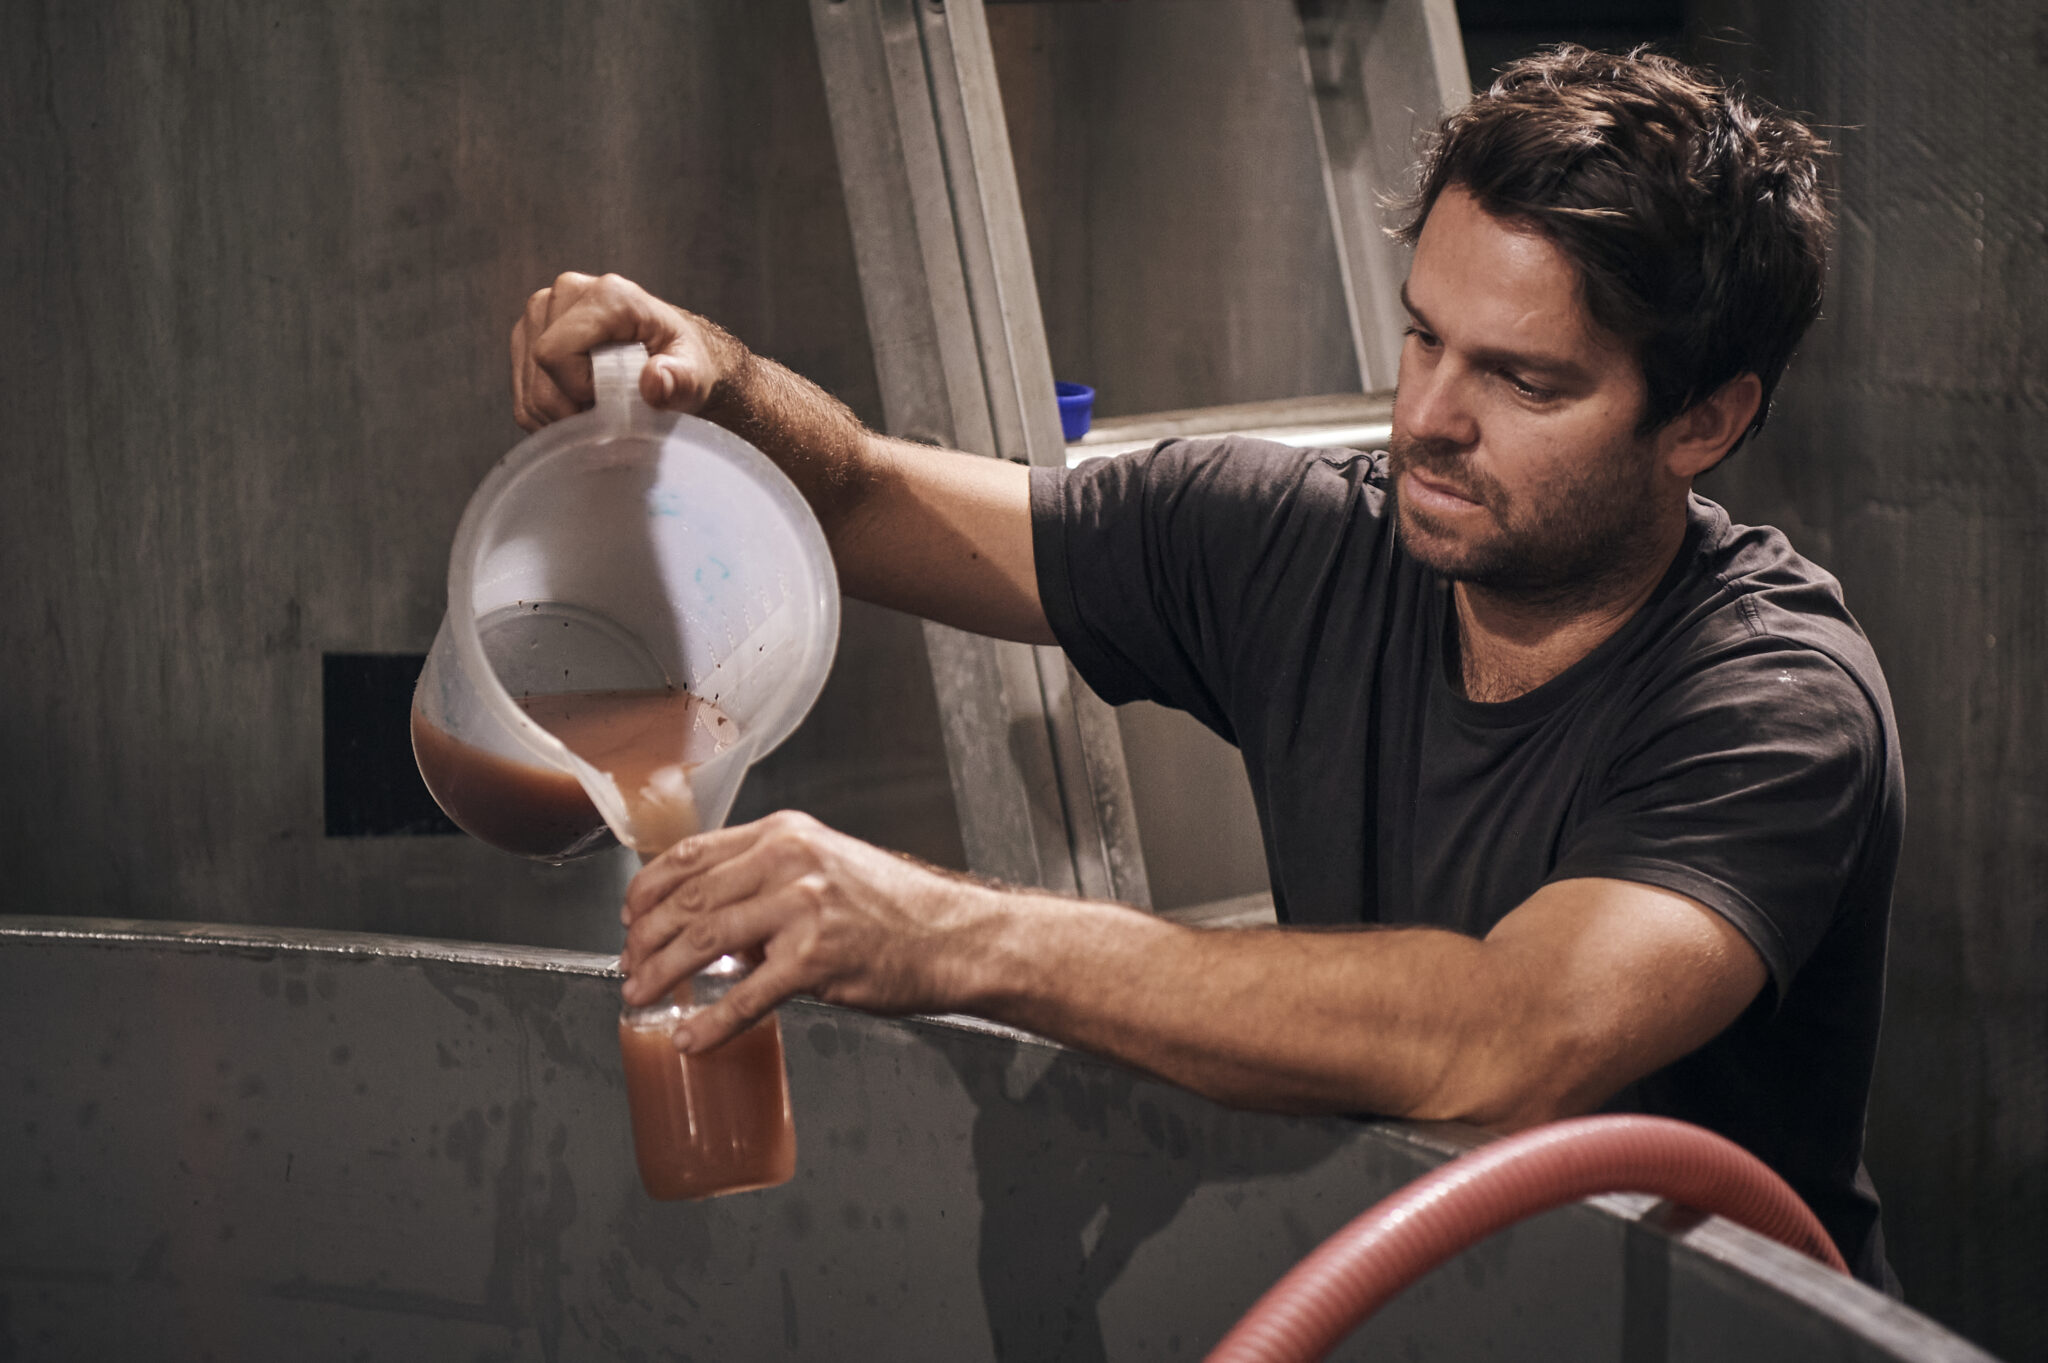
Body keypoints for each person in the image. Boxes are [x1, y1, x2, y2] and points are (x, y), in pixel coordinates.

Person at [509, 47, 1901, 1289]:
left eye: (1525, 384)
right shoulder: (1301, 548)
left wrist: (947, 932)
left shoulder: (1770, 702)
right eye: (1423, 335)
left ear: (1704, 422)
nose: (1428, 418)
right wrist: (712, 381)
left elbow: (1508, 1040)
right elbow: (870, 500)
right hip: (1431, 1303)